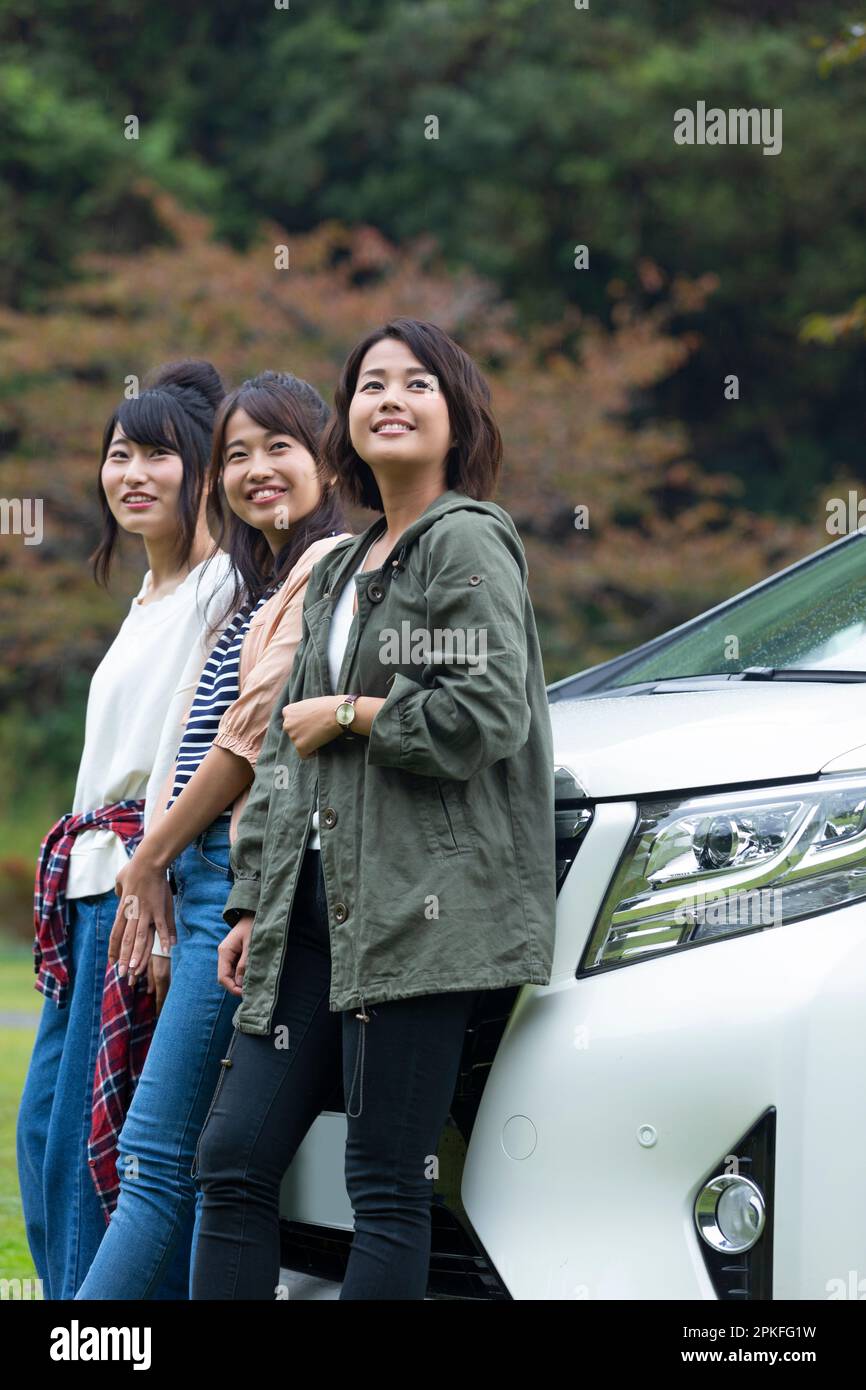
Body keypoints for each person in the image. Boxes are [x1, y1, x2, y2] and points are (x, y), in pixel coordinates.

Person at [191, 318, 557, 1301]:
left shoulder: (466, 540)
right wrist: (247, 904)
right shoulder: (347, 567)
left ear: (455, 413)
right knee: (230, 1162)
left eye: (417, 383)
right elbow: (279, 759)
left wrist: (356, 711)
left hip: (419, 909)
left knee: (386, 1185)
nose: (390, 398)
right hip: (309, 913)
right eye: (369, 386)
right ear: (344, 425)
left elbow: (486, 706)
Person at [74, 370, 351, 1300]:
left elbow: (247, 736)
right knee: (167, 1153)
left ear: (327, 459)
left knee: (157, 1157)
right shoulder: (265, 580)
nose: (256, 470)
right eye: (237, 454)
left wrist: (151, 856)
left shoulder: (322, 569)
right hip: (194, 874)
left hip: (222, 877)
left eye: (281, 448)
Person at [16, 359, 235, 1300]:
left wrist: (163, 887)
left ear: (201, 472)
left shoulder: (221, 588)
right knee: (39, 1137)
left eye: (159, 454)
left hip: (137, 894)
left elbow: (216, 753)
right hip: (86, 892)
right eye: (118, 453)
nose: (132, 473)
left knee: (92, 1160)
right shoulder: (144, 597)